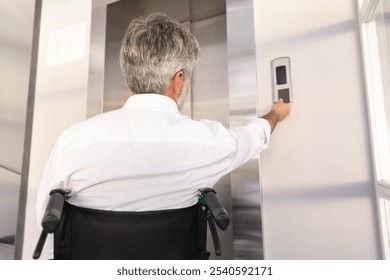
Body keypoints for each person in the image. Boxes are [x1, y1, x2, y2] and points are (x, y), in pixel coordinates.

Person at [36, 12, 290, 256]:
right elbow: (252, 137)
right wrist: (275, 114)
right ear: (178, 79)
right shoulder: (207, 142)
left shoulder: (73, 141)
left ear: (130, 76)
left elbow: (46, 225)